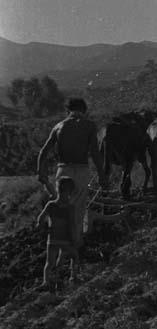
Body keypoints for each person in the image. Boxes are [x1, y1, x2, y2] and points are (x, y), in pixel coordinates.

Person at [37, 97, 108, 249]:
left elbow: (44, 151)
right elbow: (95, 153)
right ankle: (75, 244)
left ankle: (56, 244)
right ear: (84, 110)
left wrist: (40, 172)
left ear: (68, 110)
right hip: (81, 170)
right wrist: (102, 175)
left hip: (63, 170)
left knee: (60, 207)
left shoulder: (58, 126)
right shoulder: (89, 126)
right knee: (78, 209)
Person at [37, 176, 79, 288]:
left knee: (49, 263)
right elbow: (72, 225)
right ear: (69, 191)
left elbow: (40, 218)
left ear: (58, 189)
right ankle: (73, 277)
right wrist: (75, 239)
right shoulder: (70, 207)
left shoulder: (51, 204)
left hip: (52, 239)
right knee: (75, 256)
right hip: (65, 239)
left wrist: (41, 227)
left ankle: (46, 282)